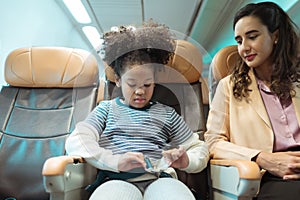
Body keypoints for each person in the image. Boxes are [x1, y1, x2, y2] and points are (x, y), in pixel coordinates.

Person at [66, 21, 209, 200]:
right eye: (131, 84)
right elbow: (78, 140)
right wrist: (115, 161)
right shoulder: (106, 109)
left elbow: (199, 148)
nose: (140, 91)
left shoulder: (167, 114)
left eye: (147, 84)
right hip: (116, 179)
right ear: (118, 80)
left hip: (159, 179)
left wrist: (187, 160)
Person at [205, 2, 300, 200]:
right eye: (239, 40)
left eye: (252, 37)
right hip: (269, 174)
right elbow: (213, 142)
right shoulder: (228, 87)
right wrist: (263, 158)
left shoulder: (297, 80)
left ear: (275, 36)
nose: (244, 48)